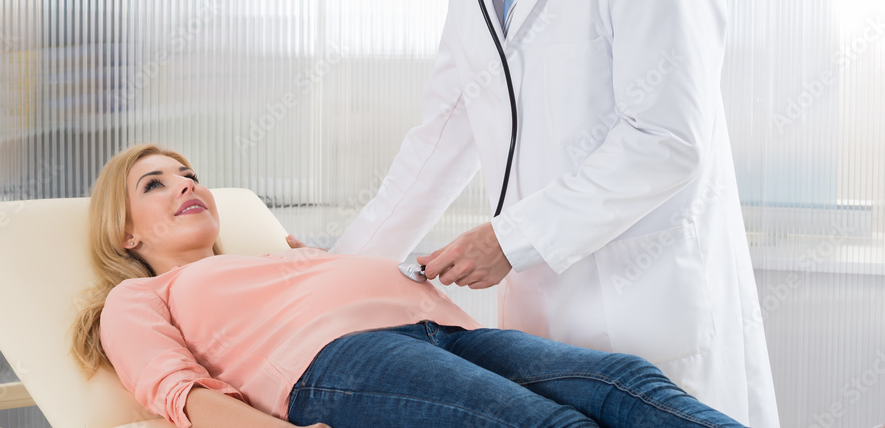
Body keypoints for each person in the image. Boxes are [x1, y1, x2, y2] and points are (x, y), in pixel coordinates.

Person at [325, 0, 779, 427]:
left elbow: (667, 138)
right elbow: (441, 136)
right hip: (544, 318)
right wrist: (336, 270)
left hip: (648, 301)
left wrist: (513, 238)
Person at [70, 143, 747, 428]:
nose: (184, 183)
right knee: (548, 425)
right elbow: (177, 392)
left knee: (625, 383)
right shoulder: (138, 298)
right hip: (338, 361)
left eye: (187, 172)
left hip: (449, 330)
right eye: (154, 183)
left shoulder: (282, 255)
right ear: (127, 233)